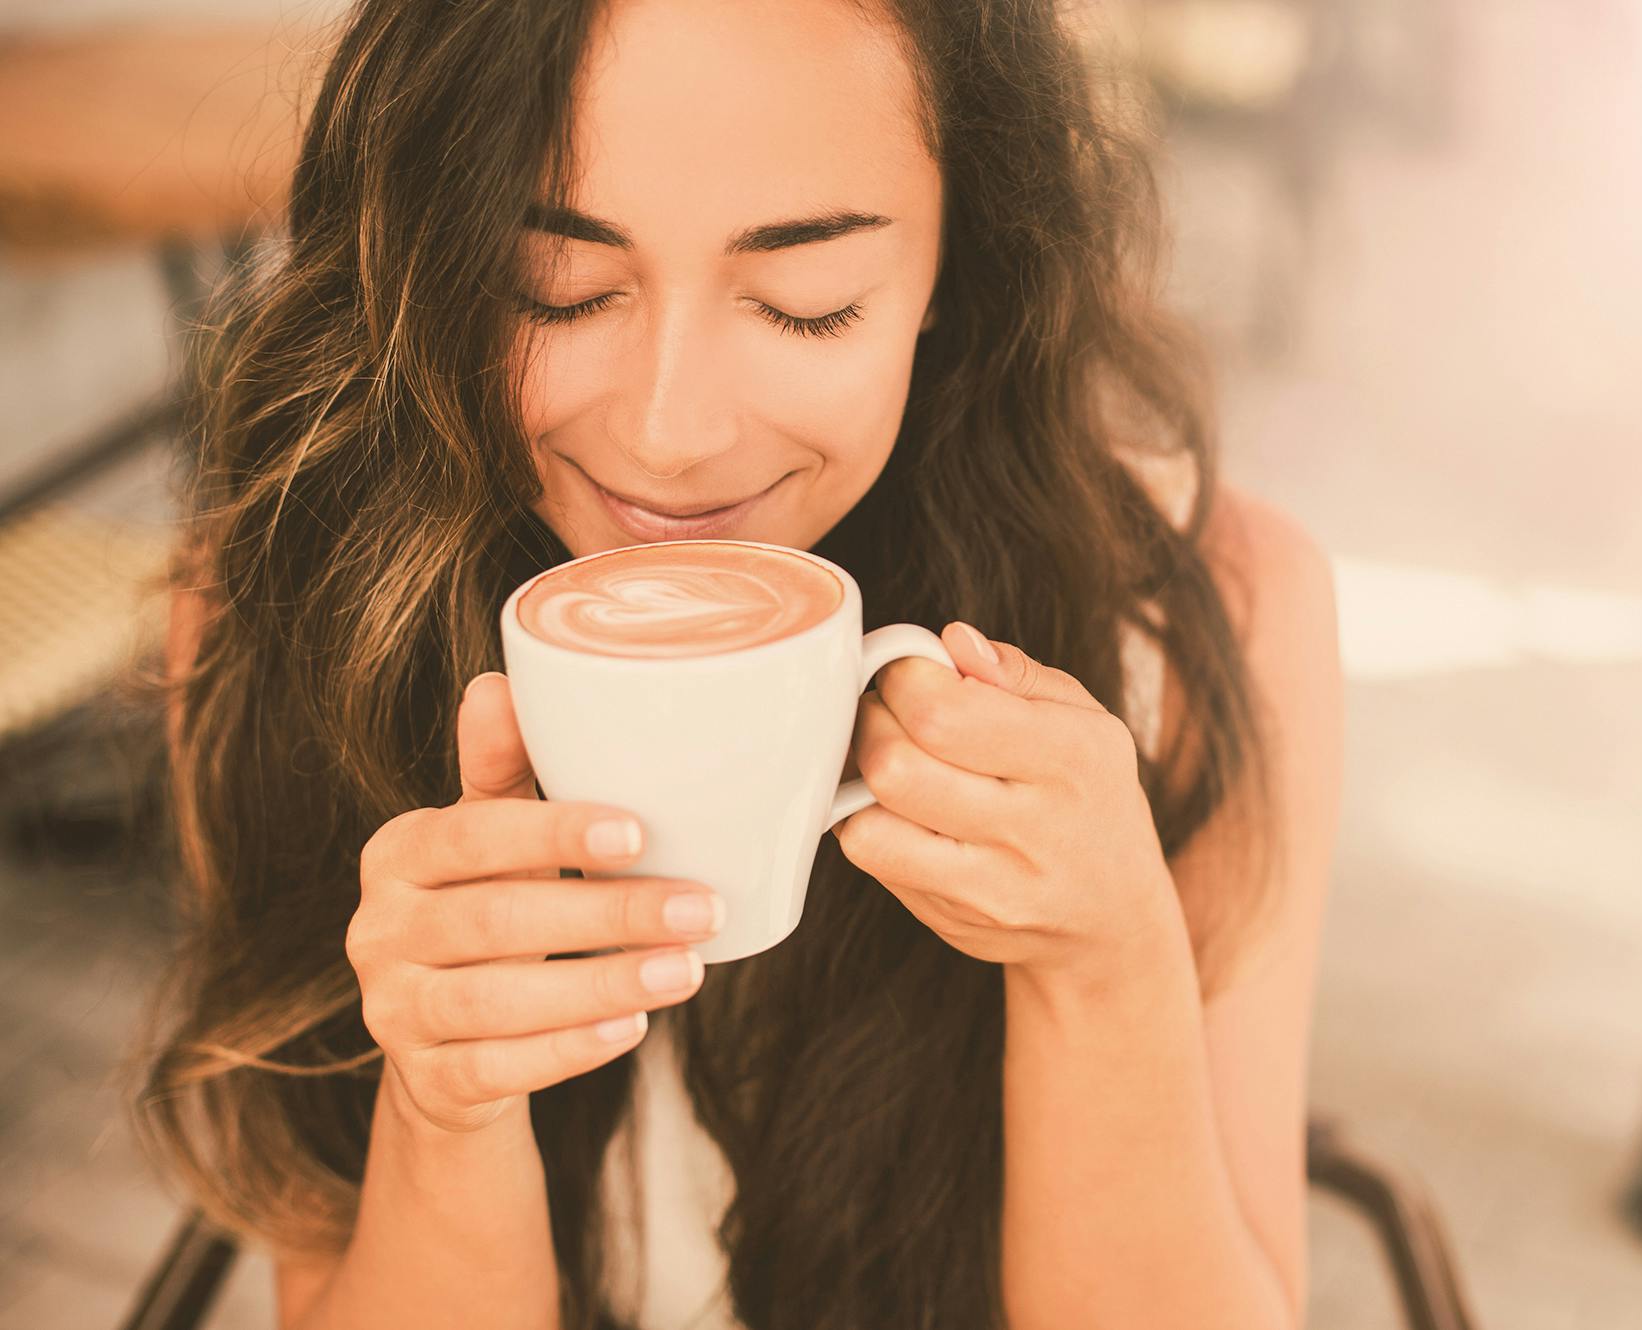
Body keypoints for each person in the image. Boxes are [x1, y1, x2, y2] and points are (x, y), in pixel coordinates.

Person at [134, 1, 1342, 1327]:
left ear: (958, 265)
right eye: (557, 288)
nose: (669, 434)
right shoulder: (308, 612)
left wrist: (1106, 964)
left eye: (804, 305)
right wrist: (447, 1102)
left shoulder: (1201, 621)